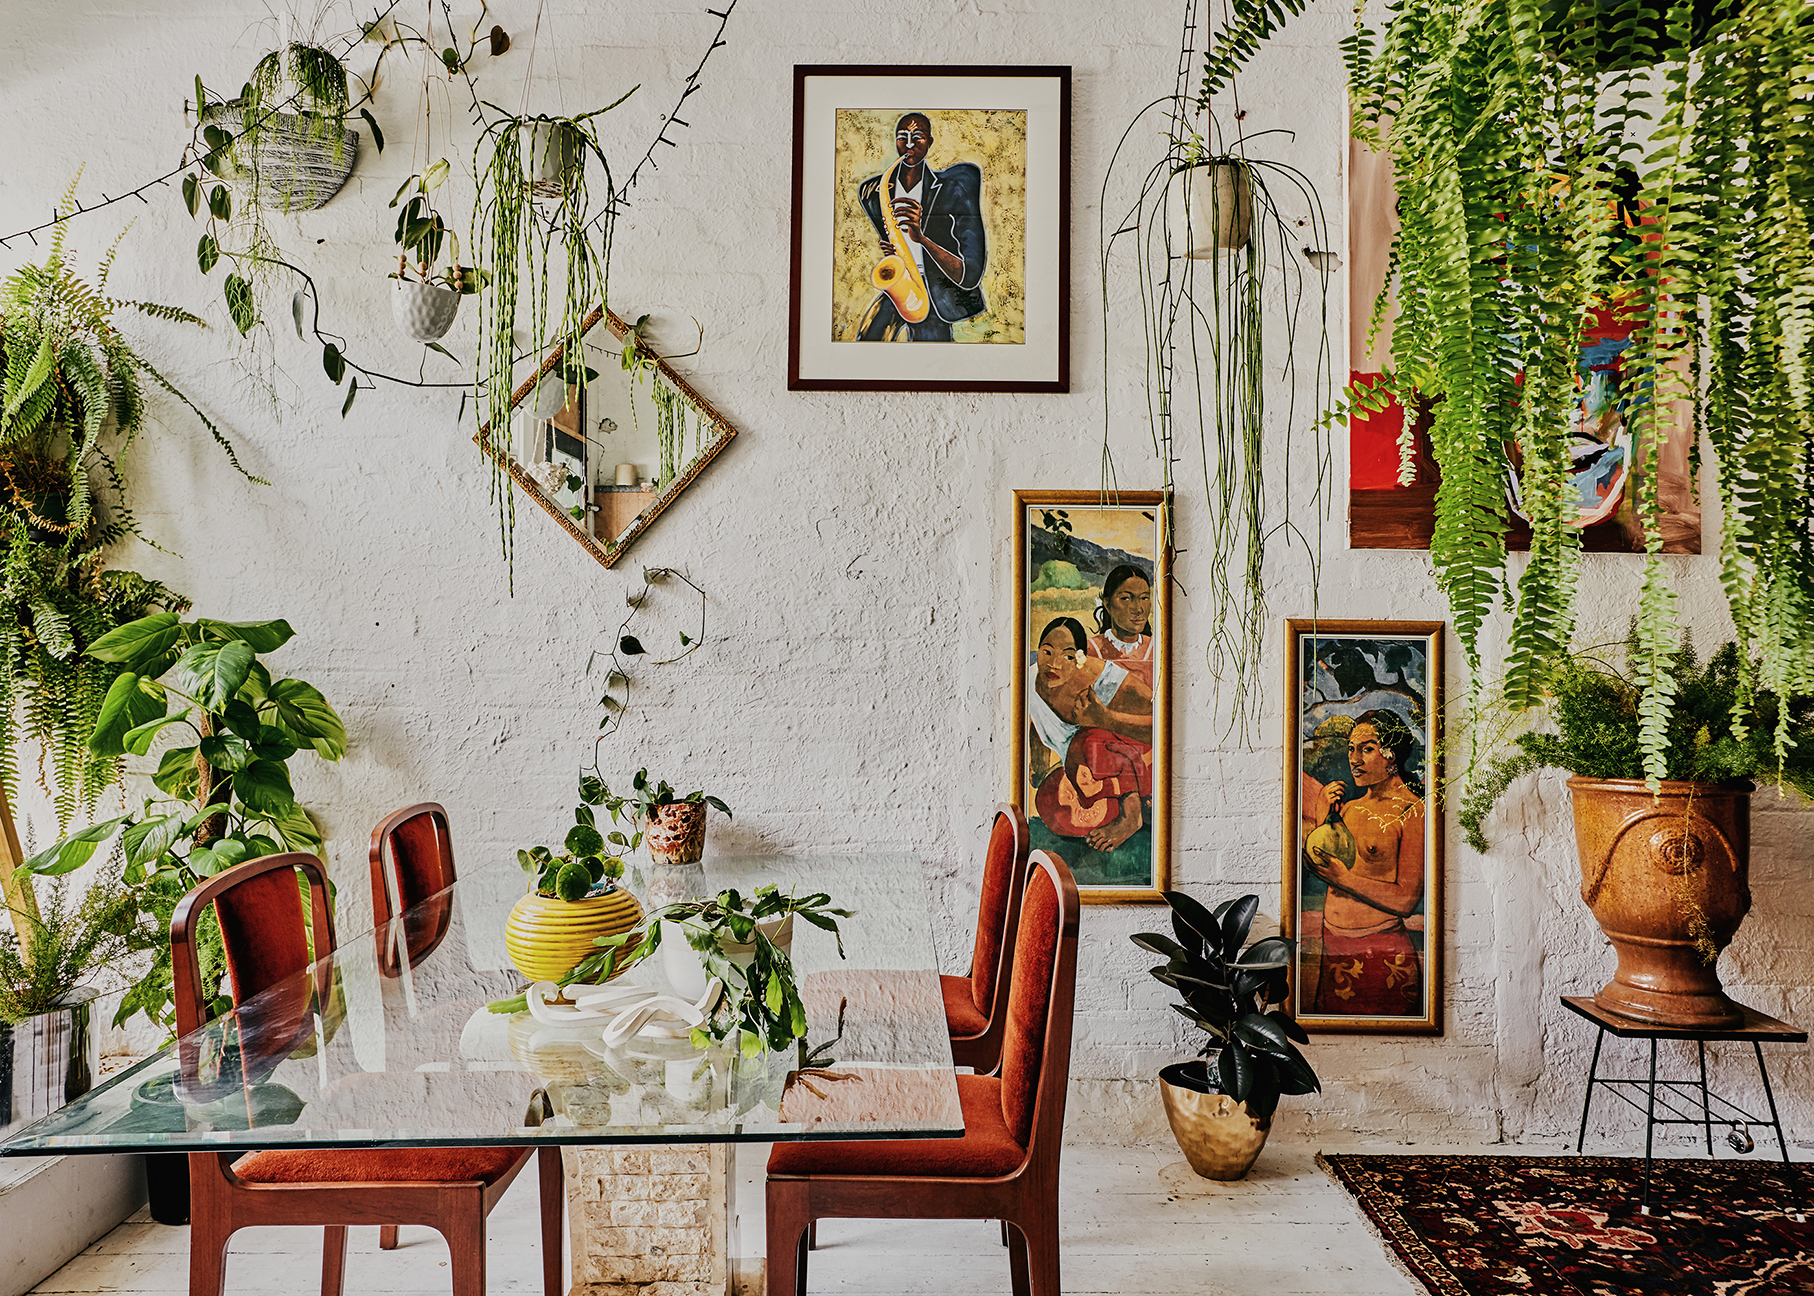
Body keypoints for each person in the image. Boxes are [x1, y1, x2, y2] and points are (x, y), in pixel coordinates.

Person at [1303, 708, 1426, 1016]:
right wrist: (1323, 815)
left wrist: (1345, 880)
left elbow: (1408, 899)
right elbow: (1320, 863)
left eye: (1367, 749)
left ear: (1391, 755)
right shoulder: (1349, 808)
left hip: (1383, 953)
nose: (1354, 759)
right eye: (1351, 749)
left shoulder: (1413, 810)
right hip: (1332, 946)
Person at [854, 113, 987, 342]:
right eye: (902, 137)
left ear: (930, 142)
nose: (908, 145)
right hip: (901, 283)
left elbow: (970, 274)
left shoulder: (953, 186)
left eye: (918, 137)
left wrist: (922, 239)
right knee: (868, 341)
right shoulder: (873, 192)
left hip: (934, 290)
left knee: (931, 357)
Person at [1028, 617, 1153, 851]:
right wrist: (1037, 760)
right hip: (1110, 772)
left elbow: (1162, 725)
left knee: (1090, 740)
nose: (1053, 664)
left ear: (1080, 659)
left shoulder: (1103, 681)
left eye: (1067, 656)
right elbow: (1037, 719)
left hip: (1135, 756)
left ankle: (1132, 815)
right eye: (1047, 652)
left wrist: (1106, 719)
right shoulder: (1029, 678)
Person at [1086, 564, 1154, 686]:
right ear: (1107, 604)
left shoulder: (1156, 649)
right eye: (1126, 598)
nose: (1138, 609)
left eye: (1144, 598)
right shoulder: (1090, 650)